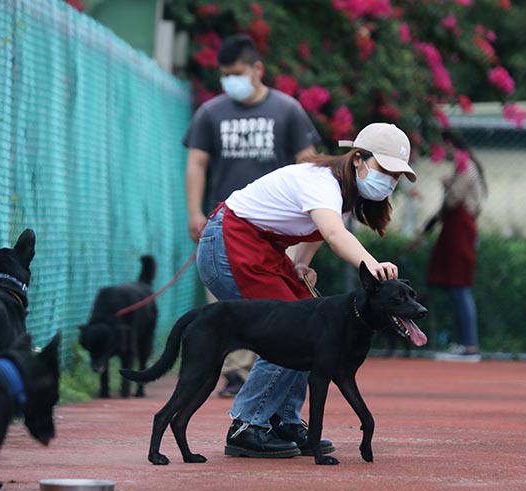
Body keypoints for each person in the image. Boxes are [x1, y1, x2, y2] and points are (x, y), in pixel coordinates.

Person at [195, 122, 418, 458]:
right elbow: (333, 234)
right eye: (385, 170)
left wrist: (299, 265)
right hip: (228, 245)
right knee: (291, 331)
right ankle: (247, 424)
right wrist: (373, 266)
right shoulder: (322, 181)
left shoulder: (343, 191)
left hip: (256, 248)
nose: (390, 181)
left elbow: (314, 234)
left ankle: (284, 419)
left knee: (311, 326)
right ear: (358, 158)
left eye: (397, 176)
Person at [182, 34, 321, 397]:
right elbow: (196, 163)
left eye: (238, 72)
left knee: (279, 311)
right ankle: (234, 373)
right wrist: (195, 212)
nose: (231, 80)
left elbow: (308, 166)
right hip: (228, 228)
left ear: (257, 69)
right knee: (228, 306)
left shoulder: (287, 110)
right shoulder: (211, 113)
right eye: (225, 74)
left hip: (277, 231)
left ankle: (264, 386)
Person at [409, 130, 487, 362]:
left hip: (460, 230)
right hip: (455, 229)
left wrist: (448, 186)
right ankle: (465, 343)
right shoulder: (465, 166)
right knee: (456, 288)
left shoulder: (467, 167)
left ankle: (470, 345)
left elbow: (453, 200)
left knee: (460, 287)